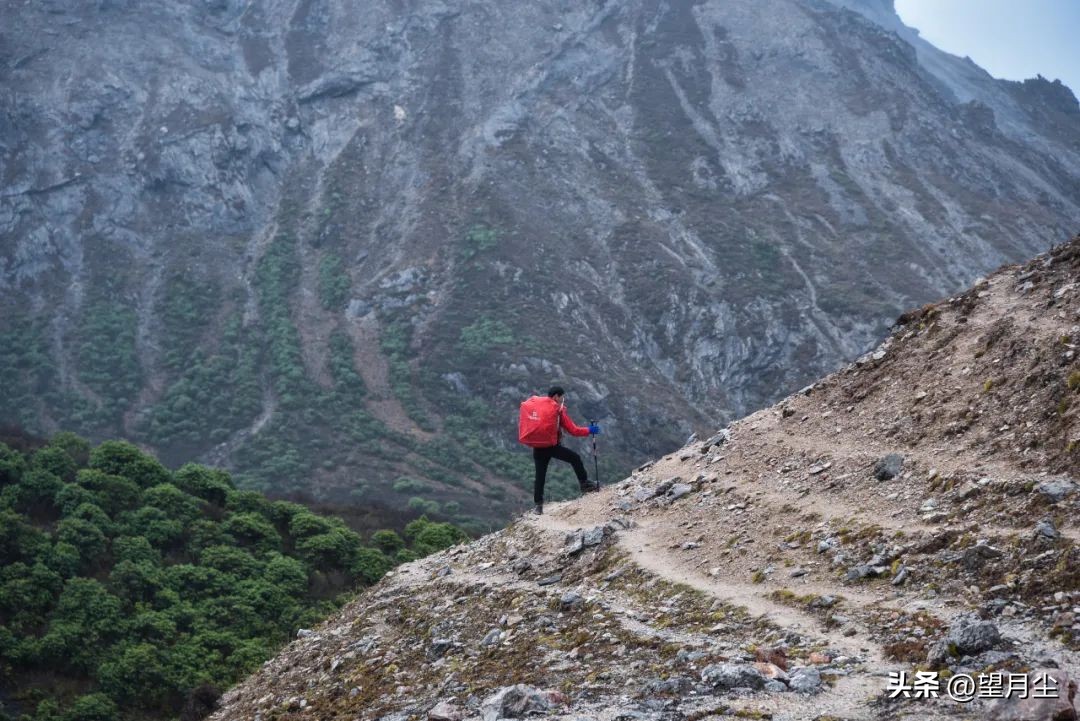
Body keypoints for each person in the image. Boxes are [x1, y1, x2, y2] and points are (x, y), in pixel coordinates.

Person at [532, 386, 600, 515]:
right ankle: (585, 485)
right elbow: (573, 430)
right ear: (556, 396)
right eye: (562, 396)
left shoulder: (538, 407)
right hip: (552, 447)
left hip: (538, 448)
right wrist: (589, 430)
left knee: (540, 476)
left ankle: (538, 507)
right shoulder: (557, 410)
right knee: (575, 458)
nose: (563, 399)